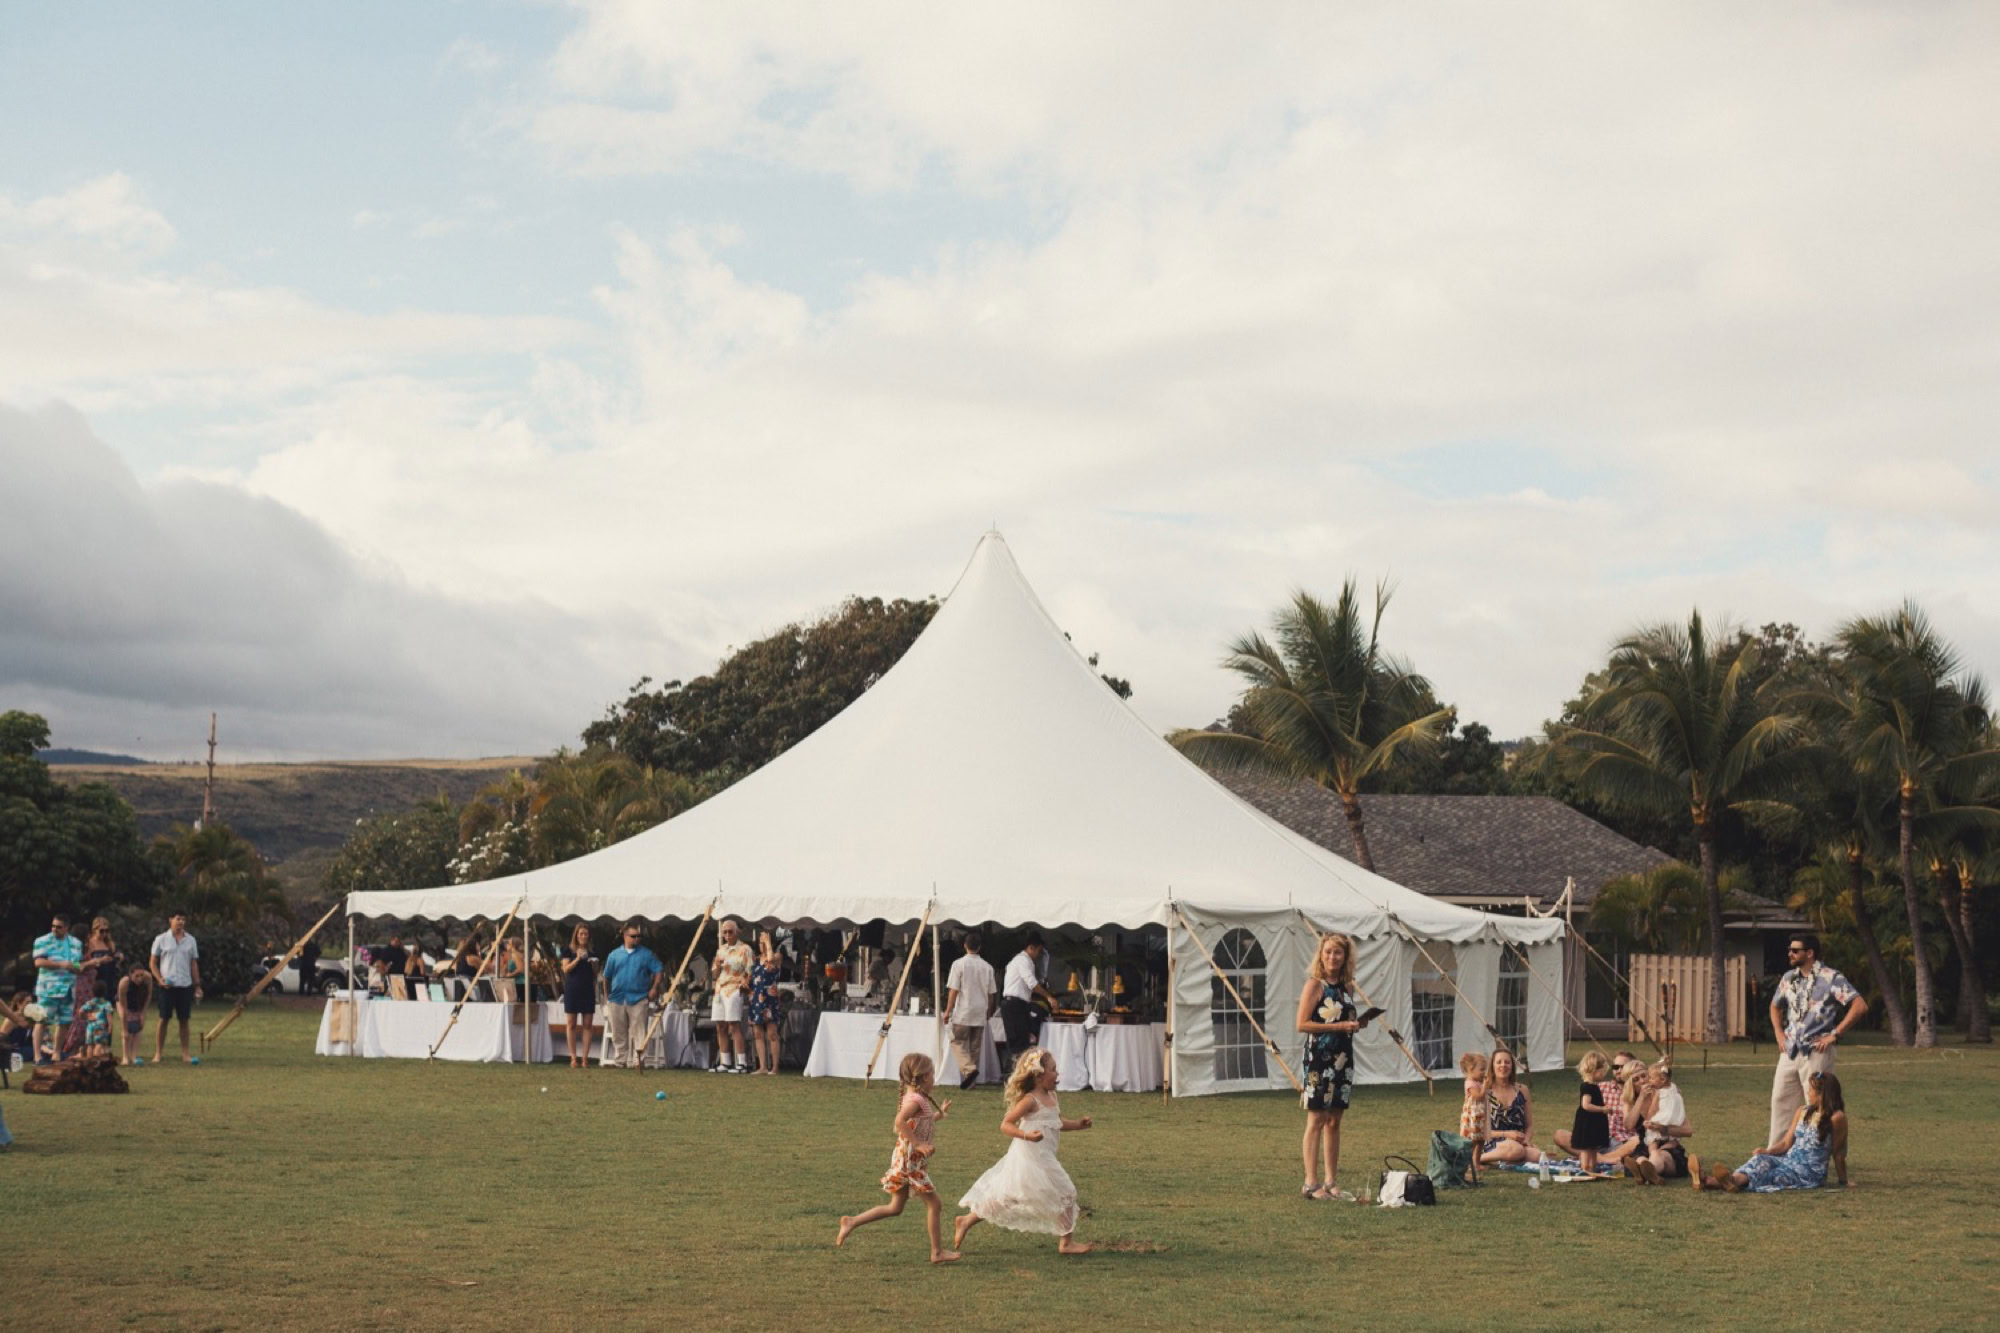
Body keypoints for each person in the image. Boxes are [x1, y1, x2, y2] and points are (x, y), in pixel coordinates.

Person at [953, 1048, 1094, 1256]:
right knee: (1067, 1192)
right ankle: (1066, 1243)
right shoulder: (1030, 1100)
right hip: (1030, 1156)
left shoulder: (1052, 1096)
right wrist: (1026, 1135)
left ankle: (966, 1220)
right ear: (1038, 1075)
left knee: (1009, 1196)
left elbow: (1055, 1122)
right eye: (1053, 1070)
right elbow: (1005, 1124)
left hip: (1044, 1156)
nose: (1057, 1075)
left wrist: (1078, 1125)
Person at [835, 1052, 960, 1263]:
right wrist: (919, 1144)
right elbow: (900, 1121)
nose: (934, 1079)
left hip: (906, 1158)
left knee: (895, 1207)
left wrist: (939, 1115)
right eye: (932, 1075)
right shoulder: (917, 1099)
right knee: (935, 1204)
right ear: (924, 1077)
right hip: (911, 1161)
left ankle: (852, 1222)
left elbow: (920, 1123)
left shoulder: (913, 1097)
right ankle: (937, 1252)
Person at [1768, 931, 1867, 1146]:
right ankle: (1776, 1154)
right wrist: (1778, 1032)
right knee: (1780, 1101)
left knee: (1819, 1107)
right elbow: (1775, 1006)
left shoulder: (1831, 978)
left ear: (1810, 953)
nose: (1790, 954)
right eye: (1790, 950)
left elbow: (1859, 1006)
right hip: (1789, 1050)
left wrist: (1835, 1034)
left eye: (1795, 950)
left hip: (1817, 1051)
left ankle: (1814, 1156)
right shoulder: (1789, 978)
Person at [1296, 931, 1370, 1200]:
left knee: (1335, 1120)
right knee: (1316, 1118)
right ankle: (1310, 1183)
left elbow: (1344, 1019)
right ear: (1321, 954)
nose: (1332, 957)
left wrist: (1356, 1025)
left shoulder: (1347, 987)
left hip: (1343, 1058)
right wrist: (1339, 1026)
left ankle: (1330, 1181)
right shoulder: (1315, 985)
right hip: (1319, 1057)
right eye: (1328, 952)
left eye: (1337, 952)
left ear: (1345, 956)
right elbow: (1302, 1024)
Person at [1695, 1071, 1848, 1193]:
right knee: (1760, 1160)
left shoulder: (1837, 1118)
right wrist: (1767, 1151)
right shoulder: (1802, 1111)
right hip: (1788, 1161)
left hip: (1808, 1173)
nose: (1807, 1093)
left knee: (1772, 1175)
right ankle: (1726, 1181)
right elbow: (1785, 1143)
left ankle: (1713, 1181)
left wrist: (1843, 1181)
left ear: (1823, 1094)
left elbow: (1839, 1153)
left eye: (1811, 1090)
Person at [600, 923, 663, 1069]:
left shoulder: (646, 954)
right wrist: (606, 996)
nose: (636, 939)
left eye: (638, 936)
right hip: (617, 998)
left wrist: (654, 988)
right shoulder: (614, 955)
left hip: (639, 997)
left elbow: (659, 970)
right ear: (625, 936)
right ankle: (620, 1060)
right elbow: (606, 977)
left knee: (639, 1031)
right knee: (618, 1032)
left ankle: (638, 1060)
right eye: (633, 936)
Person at [943, 931, 999, 1090]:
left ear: (964, 946)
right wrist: (989, 1011)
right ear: (979, 947)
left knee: (957, 1041)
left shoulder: (958, 964)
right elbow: (992, 993)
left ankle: (970, 1071)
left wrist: (948, 1010)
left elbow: (953, 990)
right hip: (980, 1010)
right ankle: (971, 1082)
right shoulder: (987, 967)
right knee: (974, 1048)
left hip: (964, 1010)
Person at [1626, 1062, 1693, 1183]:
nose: (1642, 1081)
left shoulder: (1669, 1097)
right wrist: (1641, 1098)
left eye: (1644, 1076)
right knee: (1642, 1159)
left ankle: (1645, 1173)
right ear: (1631, 1084)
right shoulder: (1630, 1101)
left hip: (1669, 1148)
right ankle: (1645, 1173)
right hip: (1646, 1147)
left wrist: (1663, 1129)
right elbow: (1629, 1126)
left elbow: (1688, 1131)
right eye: (1636, 1079)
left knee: (1657, 1155)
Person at [150, 911, 203, 1064]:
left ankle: (185, 1054)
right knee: (164, 1019)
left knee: (184, 1020)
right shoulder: (161, 939)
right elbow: (152, 962)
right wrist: (159, 979)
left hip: (185, 985)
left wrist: (197, 985)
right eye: (178, 919)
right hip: (166, 986)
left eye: (183, 919)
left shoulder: (191, 940)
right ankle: (158, 1053)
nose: (181, 922)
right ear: (170, 920)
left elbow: (193, 964)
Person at [1477, 1049, 1544, 1166]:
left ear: (1512, 1066)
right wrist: (1507, 1134)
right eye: (1499, 1062)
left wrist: (1527, 1141)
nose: (1503, 1065)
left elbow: (1529, 1126)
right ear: (1492, 1066)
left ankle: (1502, 1160)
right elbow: (1481, 1131)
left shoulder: (1523, 1090)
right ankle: (1478, 1158)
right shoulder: (1485, 1092)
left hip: (1518, 1142)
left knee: (1538, 1156)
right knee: (1516, 1150)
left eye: (1507, 1062)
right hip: (1493, 1141)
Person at [998, 932, 1055, 1071]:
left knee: (1022, 1042)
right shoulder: (1022, 961)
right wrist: (1049, 997)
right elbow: (1031, 983)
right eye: (1039, 951)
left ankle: (1017, 1074)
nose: (1039, 955)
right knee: (1018, 1043)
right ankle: (1012, 1075)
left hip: (1019, 1004)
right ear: (1031, 948)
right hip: (1014, 1005)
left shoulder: (1025, 962)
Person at [32, 914, 84, 1064]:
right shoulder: (42, 941)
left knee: (65, 1022)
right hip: (49, 988)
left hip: (68, 988)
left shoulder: (76, 943)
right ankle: (37, 1056)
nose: (55, 929)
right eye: (53, 926)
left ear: (66, 927)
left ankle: (57, 1053)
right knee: (42, 1021)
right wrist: (61, 964)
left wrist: (77, 968)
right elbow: (39, 962)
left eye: (59, 927)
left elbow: (77, 964)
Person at [710, 919, 754, 1073]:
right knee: (720, 1025)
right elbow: (715, 974)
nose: (727, 935)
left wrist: (745, 984)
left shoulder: (745, 949)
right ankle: (725, 1061)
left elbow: (750, 971)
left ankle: (741, 1062)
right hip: (720, 989)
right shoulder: (720, 950)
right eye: (725, 932)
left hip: (735, 987)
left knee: (733, 1024)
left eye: (730, 931)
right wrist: (716, 963)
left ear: (737, 932)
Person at [1565, 1051, 1613, 1173]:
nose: (1603, 1075)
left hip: (1594, 1121)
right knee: (1586, 1148)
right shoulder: (1587, 1086)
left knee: (1593, 1147)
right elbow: (1585, 1105)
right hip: (1588, 1121)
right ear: (1594, 1070)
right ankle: (1585, 1167)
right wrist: (1602, 1109)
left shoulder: (1594, 1085)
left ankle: (1593, 1166)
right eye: (1602, 1072)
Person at [559, 924, 599, 1069]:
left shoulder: (592, 951)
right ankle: (573, 1057)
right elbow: (565, 969)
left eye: (586, 934)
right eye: (581, 934)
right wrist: (577, 958)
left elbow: (595, 972)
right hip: (573, 989)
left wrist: (594, 964)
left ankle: (585, 1058)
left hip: (587, 989)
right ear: (576, 935)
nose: (583, 936)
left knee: (587, 1024)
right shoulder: (568, 950)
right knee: (571, 1023)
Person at [746, 929, 785, 1076]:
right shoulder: (755, 960)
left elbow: (770, 961)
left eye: (763, 943)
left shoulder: (776, 956)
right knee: (758, 1033)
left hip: (770, 998)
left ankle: (774, 1067)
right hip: (756, 998)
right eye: (760, 943)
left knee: (772, 1033)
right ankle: (762, 1066)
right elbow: (751, 977)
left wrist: (768, 942)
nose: (761, 945)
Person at [116, 966, 153, 1066]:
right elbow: (124, 1009)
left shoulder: (148, 977)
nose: (140, 978)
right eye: (136, 976)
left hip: (137, 1001)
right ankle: (125, 1057)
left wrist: (143, 1013)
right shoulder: (124, 982)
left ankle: (133, 1056)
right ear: (130, 974)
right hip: (123, 1003)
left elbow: (149, 995)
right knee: (128, 1029)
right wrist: (124, 1029)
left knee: (138, 1027)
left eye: (141, 975)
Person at [1459, 1051, 1491, 1147]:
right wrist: (1485, 1086)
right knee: (1474, 1140)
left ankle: (1477, 1160)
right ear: (1470, 1069)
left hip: (1480, 1115)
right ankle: (1471, 1159)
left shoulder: (1478, 1082)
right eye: (1481, 1069)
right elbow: (1479, 1096)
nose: (1484, 1072)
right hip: (1473, 1117)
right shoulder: (1470, 1083)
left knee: (1480, 1140)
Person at [76, 980, 114, 1059]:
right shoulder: (106, 1003)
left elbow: (81, 1011)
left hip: (90, 1026)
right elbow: (109, 1015)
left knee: (90, 1045)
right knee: (99, 1043)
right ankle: (96, 1060)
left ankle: (89, 1061)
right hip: (100, 1026)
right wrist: (110, 1025)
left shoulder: (90, 1003)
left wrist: (85, 1017)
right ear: (105, 992)